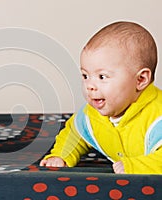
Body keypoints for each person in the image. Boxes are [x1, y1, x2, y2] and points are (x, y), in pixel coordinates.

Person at [40, 21, 162, 174]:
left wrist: (135, 166)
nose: (90, 85)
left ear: (140, 80)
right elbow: (75, 133)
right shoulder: (92, 114)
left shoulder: (157, 118)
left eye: (102, 76)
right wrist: (61, 156)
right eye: (85, 75)